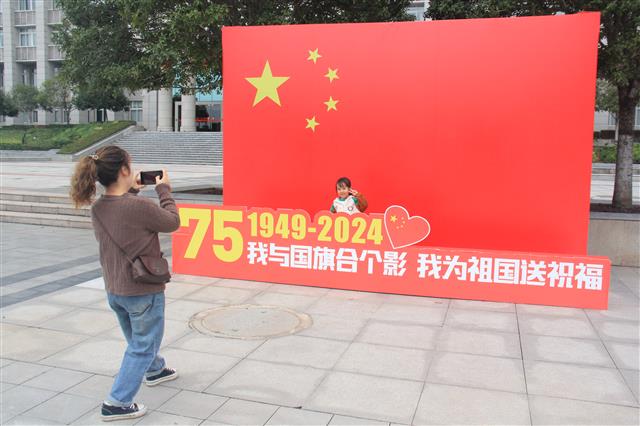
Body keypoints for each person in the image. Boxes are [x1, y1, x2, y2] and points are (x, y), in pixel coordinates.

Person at [70, 146, 181, 422]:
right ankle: (117, 402)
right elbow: (172, 222)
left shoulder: (98, 207)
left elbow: (122, 217)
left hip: (115, 288)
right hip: (142, 290)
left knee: (138, 338)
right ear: (123, 170)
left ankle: (154, 369)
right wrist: (164, 190)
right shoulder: (138, 207)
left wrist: (131, 190)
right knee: (142, 344)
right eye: (130, 164)